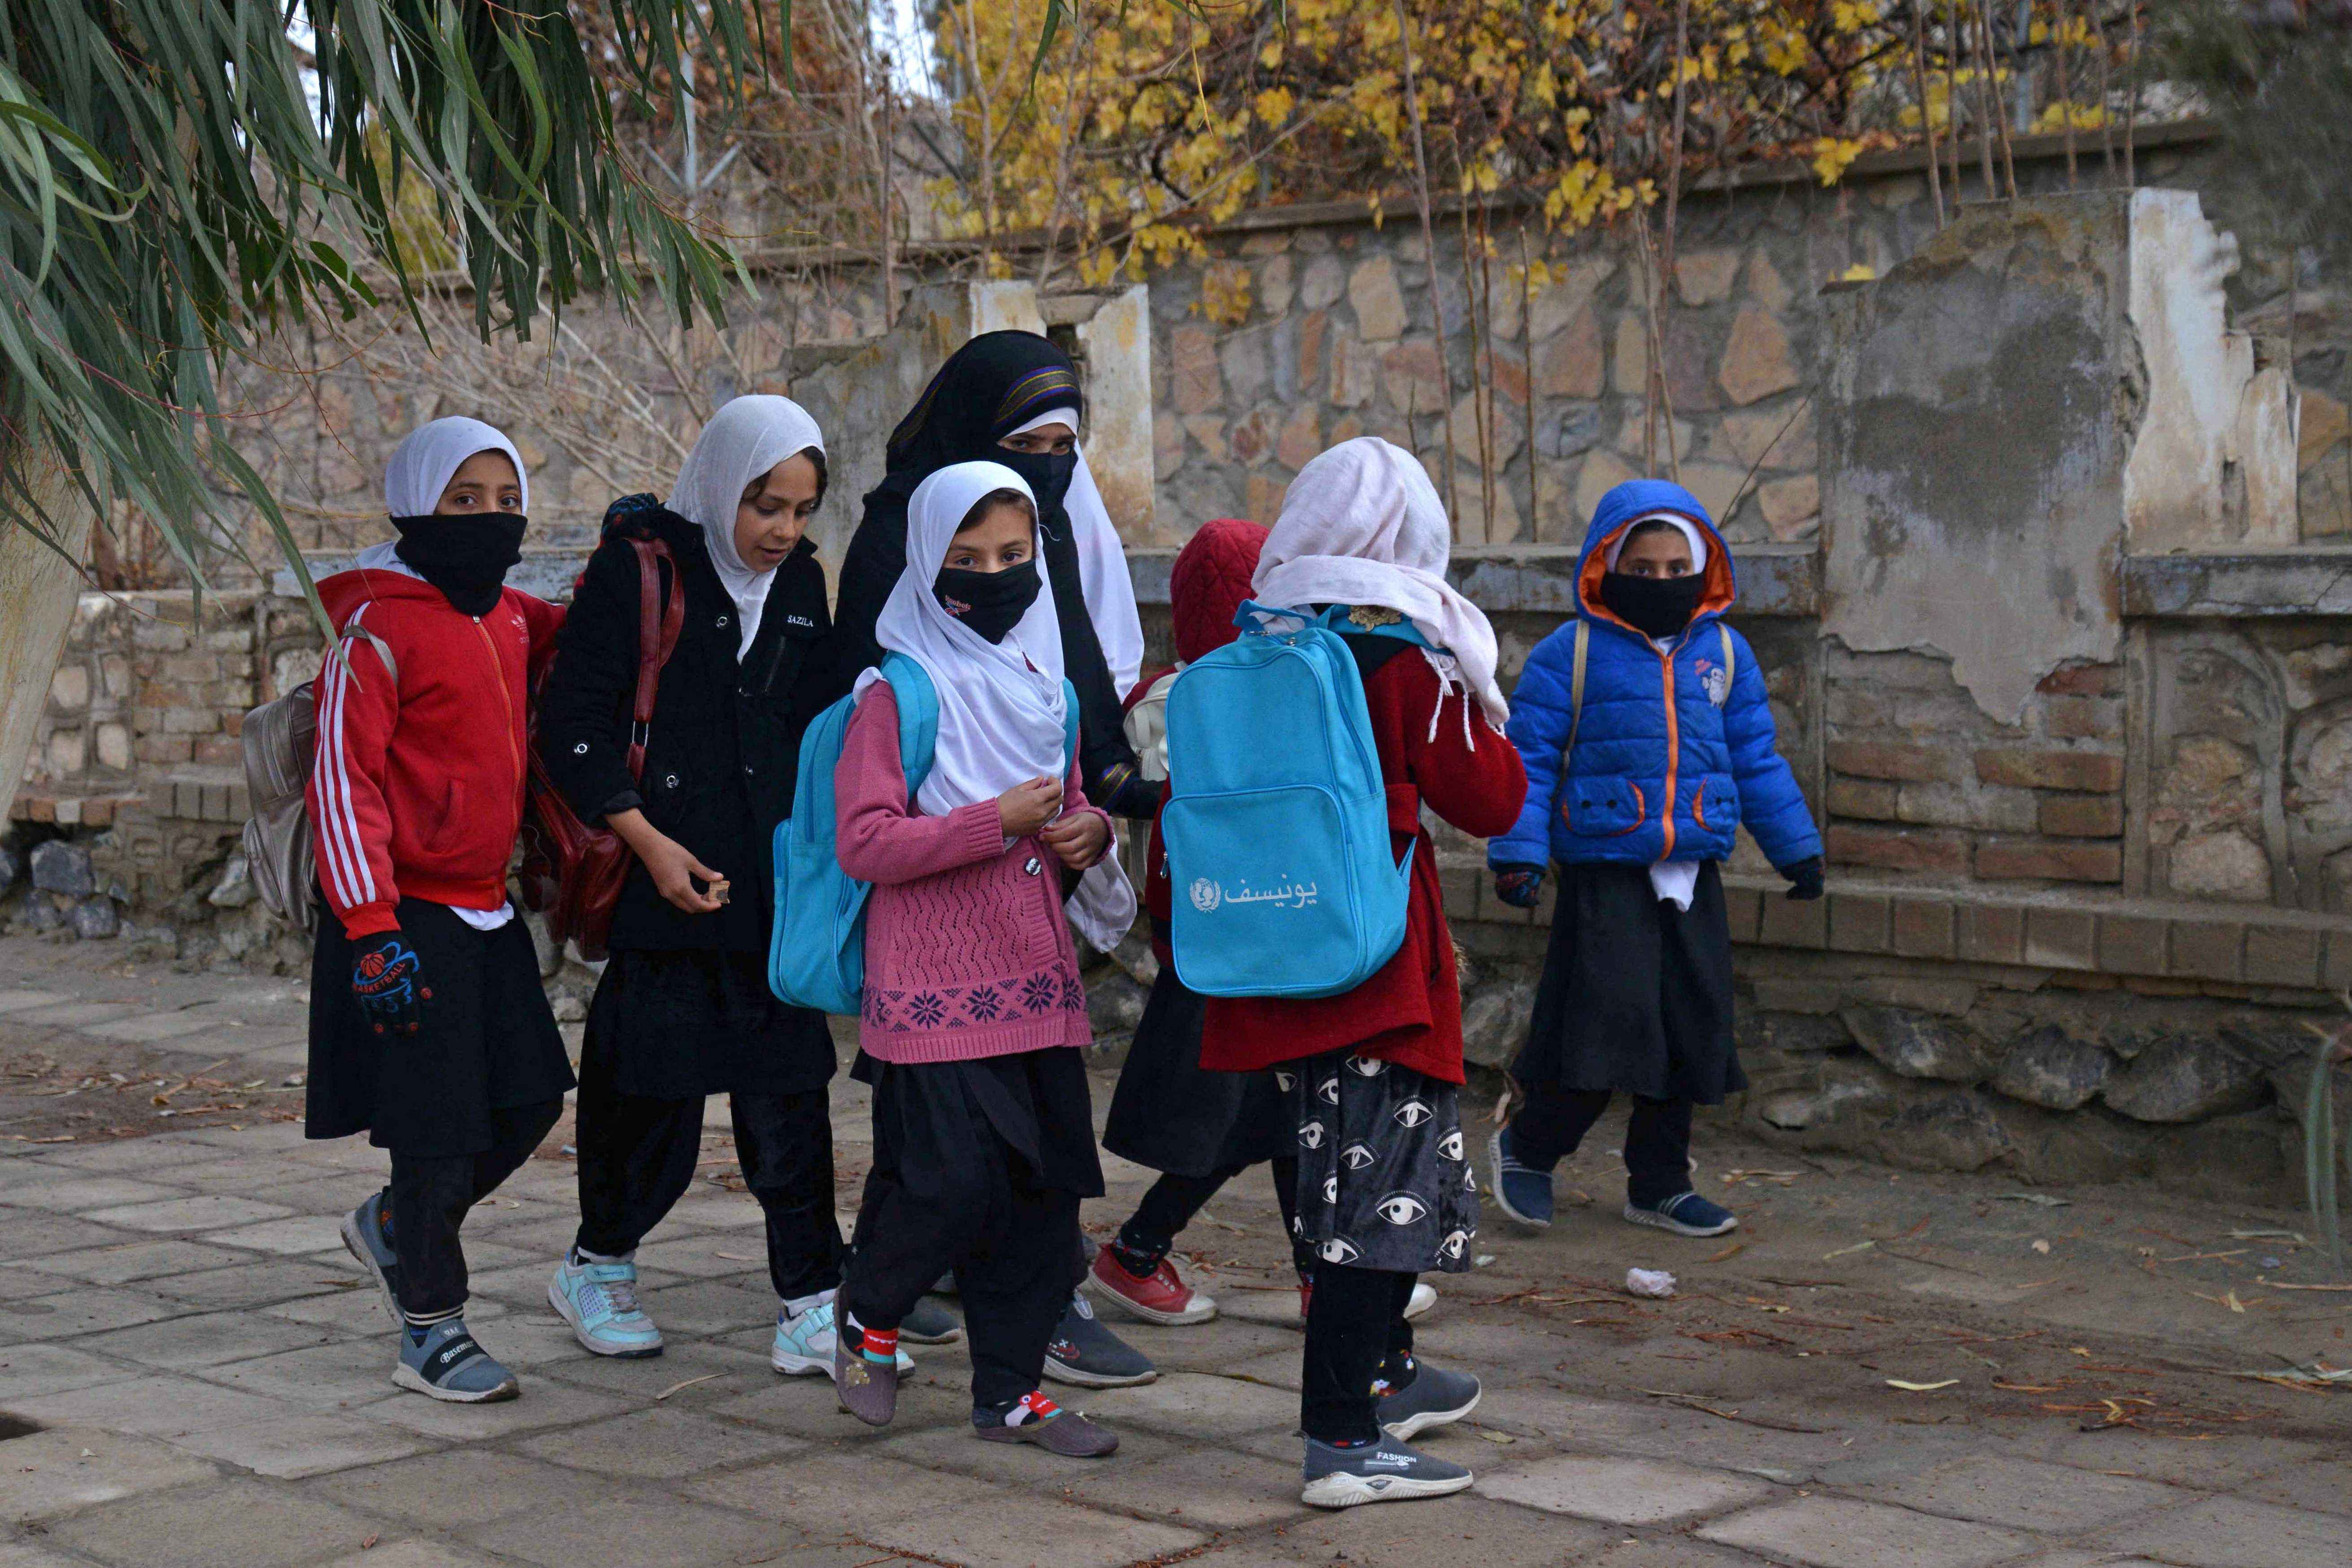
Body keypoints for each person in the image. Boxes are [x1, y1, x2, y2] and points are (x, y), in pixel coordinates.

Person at [532, 397, 931, 1378]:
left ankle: (810, 1297)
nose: (782, 529)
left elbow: (823, 715)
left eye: (800, 509)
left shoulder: (800, 582)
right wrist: (651, 843)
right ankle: (598, 1263)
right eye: (764, 505)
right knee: (647, 1102)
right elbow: (572, 726)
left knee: (788, 1095)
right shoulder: (642, 567)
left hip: (765, 889)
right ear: (720, 486)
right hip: (657, 881)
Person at [1193, 438, 1528, 1508]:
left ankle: (1384, 1382)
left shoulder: (1261, 642)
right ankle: (1342, 1439)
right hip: (1380, 957)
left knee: (1343, 1185)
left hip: (1274, 948)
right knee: (1374, 1202)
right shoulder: (1403, 657)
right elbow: (1494, 799)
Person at [834, 329, 1155, 1388]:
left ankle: (1012, 1366)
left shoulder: (1040, 563)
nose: (1047, 468)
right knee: (946, 1162)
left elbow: (1073, 717)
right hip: (929, 941)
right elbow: (872, 803)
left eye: (1066, 444)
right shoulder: (902, 597)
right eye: (1027, 442)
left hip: (1026, 937)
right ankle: (878, 1300)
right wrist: (996, 821)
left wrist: (1095, 819)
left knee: (1037, 1158)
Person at [1089, 518, 1434, 1331]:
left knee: (1281, 1117)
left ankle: (1303, 1272)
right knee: (1243, 1121)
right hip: (1243, 942)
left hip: (1235, 937)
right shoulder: (1231, 696)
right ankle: (1139, 1253)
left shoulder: (1177, 694)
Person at [309, 417, 572, 1404]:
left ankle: (392, 1228)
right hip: (401, 913)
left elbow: (573, 625)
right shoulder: (374, 630)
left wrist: (648, 551)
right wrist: (370, 931)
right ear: (415, 503)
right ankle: (430, 1325)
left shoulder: (503, 615)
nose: (492, 519)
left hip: (484, 902)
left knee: (531, 1098)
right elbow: (342, 786)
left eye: (508, 501)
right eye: (466, 500)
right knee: (435, 1125)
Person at [1484, 479, 1824, 1240]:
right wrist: (1518, 853)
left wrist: (1796, 849)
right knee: (1606, 1027)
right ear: (1607, 566)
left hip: (1694, 870)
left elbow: (1758, 761)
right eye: (1644, 569)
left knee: (1691, 1027)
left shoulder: (1727, 656)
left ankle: (1661, 1182)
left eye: (1680, 569)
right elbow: (1528, 760)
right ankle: (1530, 1150)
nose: (1663, 582)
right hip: (1605, 871)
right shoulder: (1568, 654)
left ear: (1707, 570)